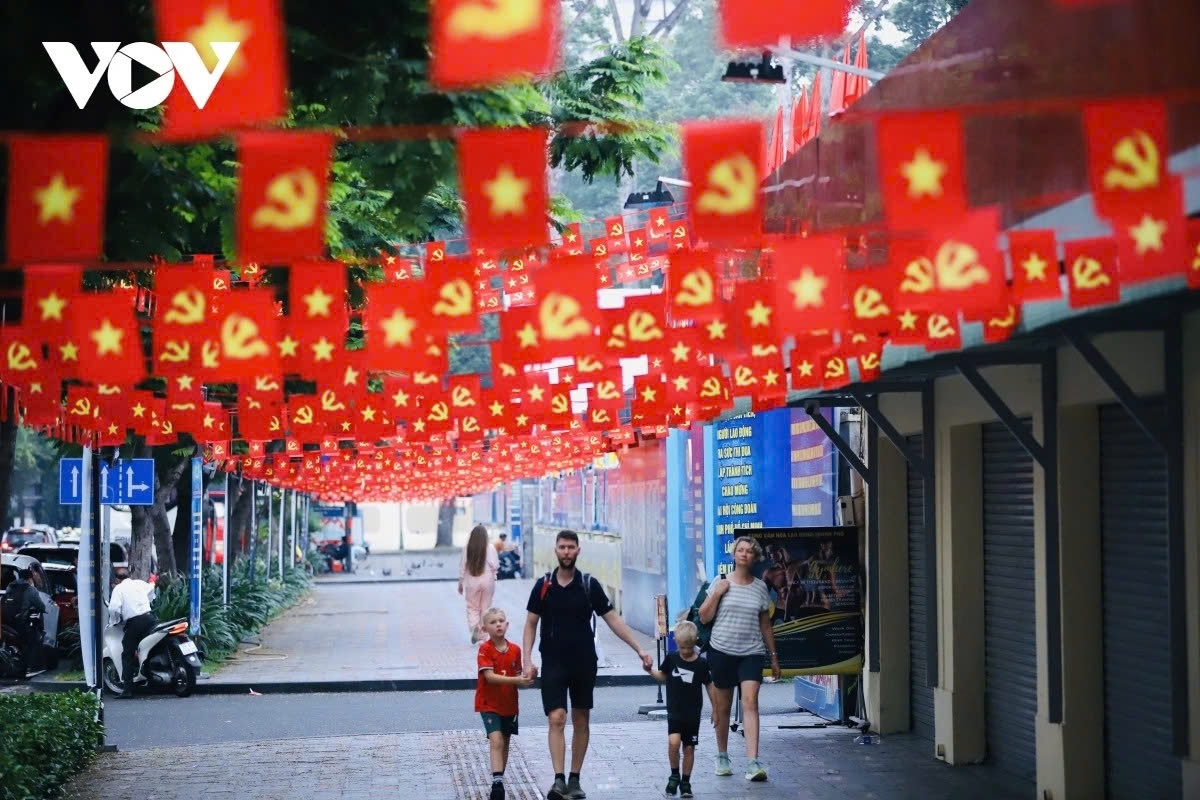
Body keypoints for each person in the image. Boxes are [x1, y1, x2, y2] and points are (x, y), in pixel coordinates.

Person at [523, 530, 654, 800]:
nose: (567, 552)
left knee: (581, 718)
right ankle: (558, 780)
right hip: (553, 661)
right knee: (556, 717)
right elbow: (531, 622)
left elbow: (613, 619)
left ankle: (575, 779)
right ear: (556, 550)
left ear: (578, 550)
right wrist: (527, 659)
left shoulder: (588, 584)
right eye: (562, 547)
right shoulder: (543, 585)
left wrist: (639, 649)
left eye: (571, 547)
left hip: (583, 662)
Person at [698, 536, 781, 782]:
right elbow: (703, 617)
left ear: (755, 557)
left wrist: (774, 656)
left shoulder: (760, 587)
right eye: (740, 550)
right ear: (734, 555)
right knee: (722, 708)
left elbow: (765, 624)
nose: (744, 554)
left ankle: (754, 762)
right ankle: (722, 755)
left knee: (751, 703)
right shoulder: (720, 582)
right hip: (722, 650)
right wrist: (717, 594)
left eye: (749, 551)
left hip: (751, 653)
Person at [644, 620, 711, 798]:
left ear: (695, 642)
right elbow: (662, 676)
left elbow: (709, 686)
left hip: (693, 714)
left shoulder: (702, 664)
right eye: (682, 647)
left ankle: (686, 782)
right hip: (675, 712)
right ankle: (674, 774)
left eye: (689, 647)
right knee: (674, 743)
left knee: (689, 748)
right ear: (677, 643)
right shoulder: (672, 658)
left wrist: (717, 710)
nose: (686, 651)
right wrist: (650, 671)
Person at [475, 607, 535, 800]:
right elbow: (490, 677)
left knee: (506, 741)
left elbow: (519, 679)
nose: (498, 624)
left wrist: (528, 678)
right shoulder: (485, 649)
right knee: (497, 740)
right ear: (485, 628)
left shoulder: (516, 650)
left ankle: (499, 777)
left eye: (501, 620)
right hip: (488, 704)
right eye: (493, 622)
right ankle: (497, 784)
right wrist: (517, 680)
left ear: (507, 625)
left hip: (509, 705)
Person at [108, 567, 157, 698]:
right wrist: (148, 601)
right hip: (150, 619)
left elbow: (113, 608)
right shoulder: (139, 583)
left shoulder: (118, 589)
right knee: (149, 649)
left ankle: (127, 690)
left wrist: (115, 621)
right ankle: (152, 682)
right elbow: (151, 588)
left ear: (117, 579)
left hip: (135, 623)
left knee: (127, 654)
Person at [459, 524, 500, 644]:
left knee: (472, 607)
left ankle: (475, 627)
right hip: (487, 580)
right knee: (485, 608)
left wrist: (460, 583)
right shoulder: (490, 547)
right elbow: (495, 565)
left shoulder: (467, 548)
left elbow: (462, 566)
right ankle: (483, 634)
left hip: (472, 580)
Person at [2, 567, 46, 671]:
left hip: (5, 622)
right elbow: (41, 606)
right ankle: (29, 666)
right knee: (32, 640)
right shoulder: (31, 590)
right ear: (30, 578)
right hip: (19, 623)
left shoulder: (10, 586)